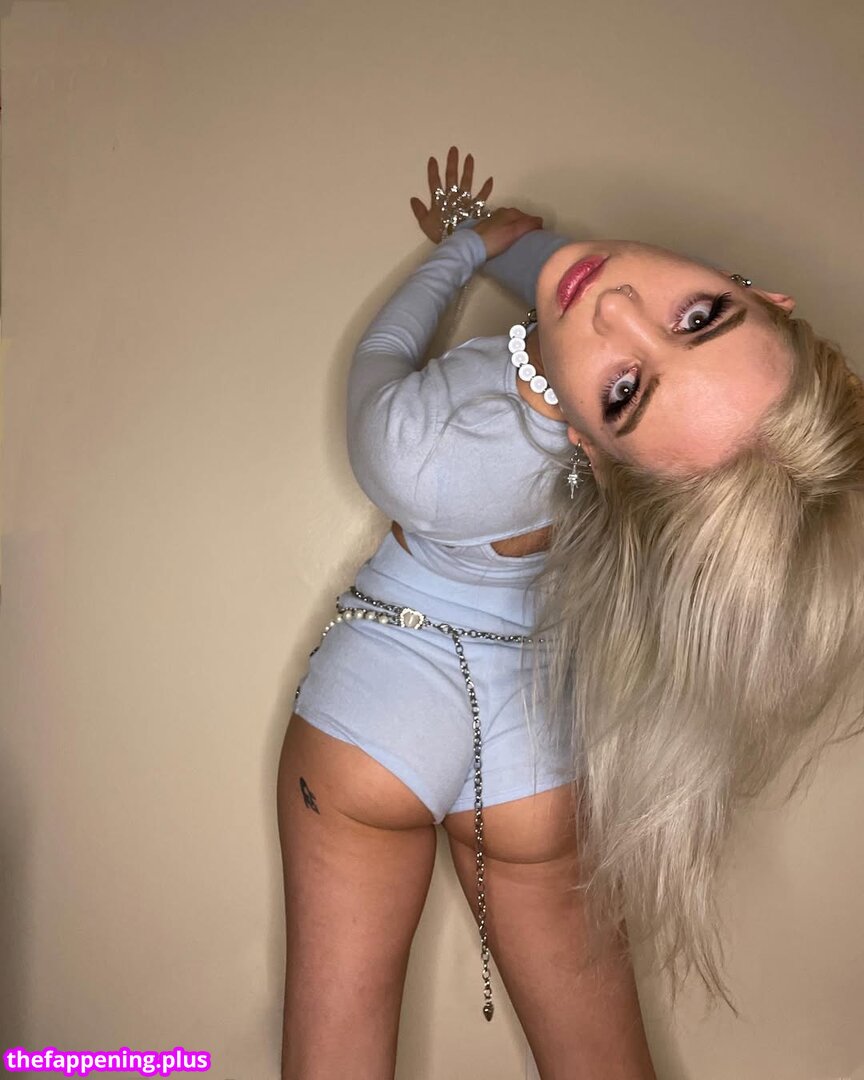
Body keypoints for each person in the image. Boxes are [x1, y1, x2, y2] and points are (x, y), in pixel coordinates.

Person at [277, 146, 864, 1078]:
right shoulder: (589, 358)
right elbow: (567, 282)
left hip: (380, 704)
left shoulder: (412, 454)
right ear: (761, 294)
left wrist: (461, 252)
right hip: (535, 738)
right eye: (701, 317)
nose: (618, 307)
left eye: (626, 394)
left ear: (600, 459)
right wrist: (495, 237)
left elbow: (383, 359)